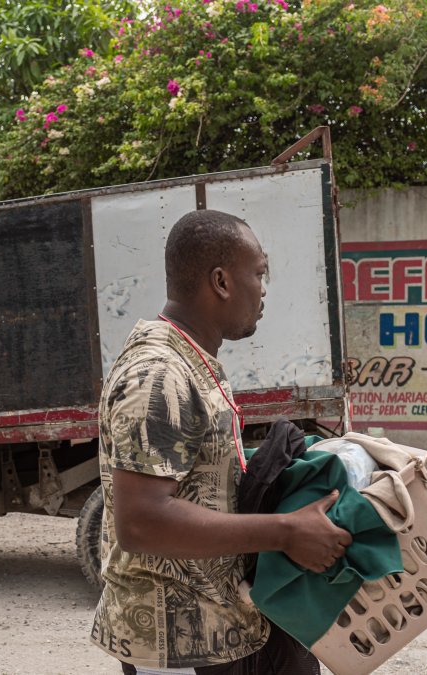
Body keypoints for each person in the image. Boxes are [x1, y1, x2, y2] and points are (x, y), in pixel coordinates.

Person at [90, 209, 353, 674]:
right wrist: (286, 531)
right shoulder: (159, 373)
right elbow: (143, 521)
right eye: (258, 272)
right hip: (175, 645)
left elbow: (196, 476)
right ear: (221, 281)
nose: (264, 287)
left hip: (216, 628)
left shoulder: (192, 360)